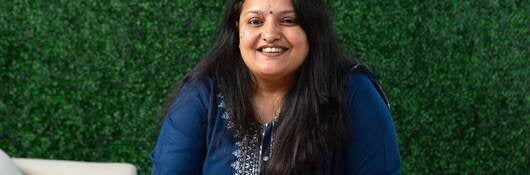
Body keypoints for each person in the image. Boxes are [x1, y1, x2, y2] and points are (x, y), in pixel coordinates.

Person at [150, 0, 401, 174]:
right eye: (255, 21)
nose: (270, 34)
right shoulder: (203, 94)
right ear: (237, 28)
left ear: (312, 29)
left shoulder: (354, 93)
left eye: (288, 20)